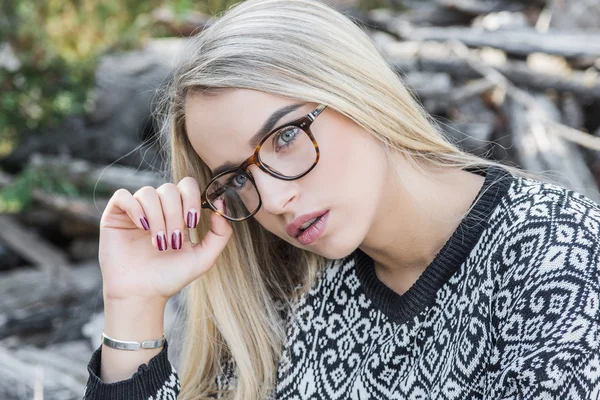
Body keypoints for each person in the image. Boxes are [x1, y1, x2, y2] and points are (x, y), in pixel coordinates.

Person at [83, 0, 600, 398]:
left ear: (356, 90)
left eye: (284, 137)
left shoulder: (561, 256)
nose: (275, 198)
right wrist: (133, 309)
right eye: (236, 179)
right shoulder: (292, 290)